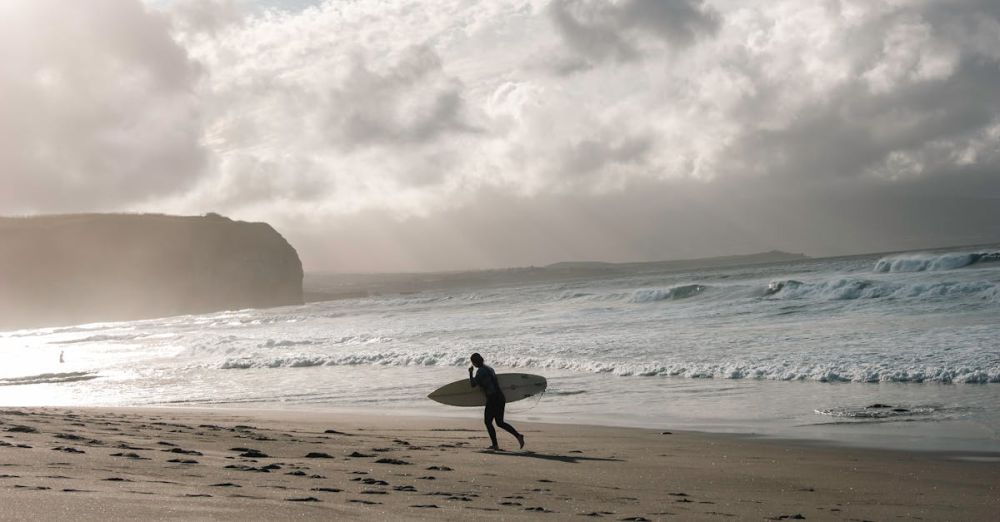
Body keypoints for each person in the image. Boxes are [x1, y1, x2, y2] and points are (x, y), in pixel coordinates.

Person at [469, 353, 524, 451]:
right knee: (500, 422)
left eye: (472, 362)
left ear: (475, 362)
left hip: (493, 399)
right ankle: (518, 436)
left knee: (488, 422)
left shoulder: (480, 371)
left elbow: (473, 384)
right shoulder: (490, 369)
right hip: (500, 397)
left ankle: (495, 445)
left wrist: (470, 372)